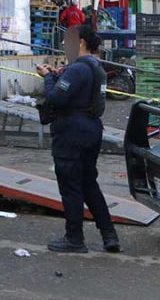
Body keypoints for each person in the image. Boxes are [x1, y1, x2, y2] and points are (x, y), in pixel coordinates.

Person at [36, 25, 120, 253]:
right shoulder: (96, 67)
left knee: (70, 186)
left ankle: (74, 238)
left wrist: (47, 78)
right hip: (92, 129)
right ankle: (109, 235)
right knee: (89, 183)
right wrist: (57, 75)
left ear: (81, 42)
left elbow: (56, 99)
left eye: (68, 41)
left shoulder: (78, 69)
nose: (65, 45)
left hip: (71, 132)